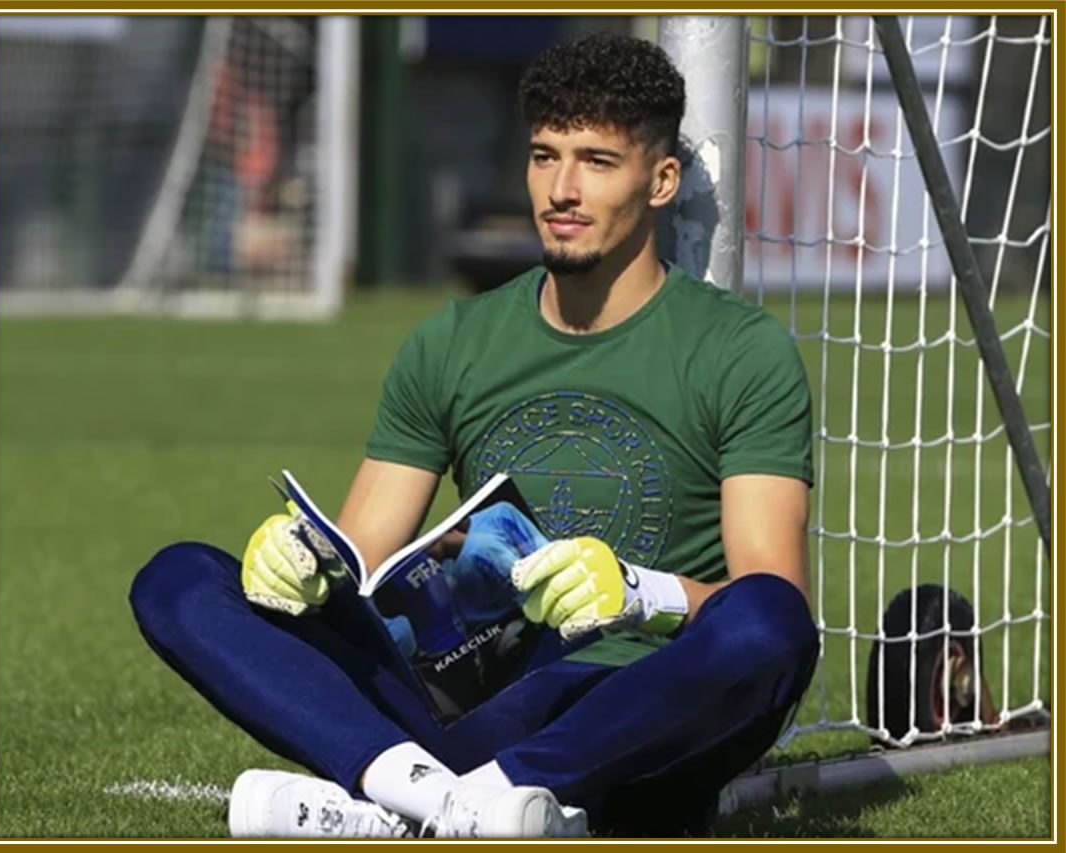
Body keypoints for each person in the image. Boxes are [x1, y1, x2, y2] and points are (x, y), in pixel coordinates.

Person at [129, 31, 818, 839]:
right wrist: (303, 565)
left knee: (772, 621)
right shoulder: (452, 341)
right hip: (457, 695)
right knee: (178, 580)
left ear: (661, 180)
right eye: (543, 155)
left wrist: (643, 591)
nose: (561, 188)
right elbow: (364, 554)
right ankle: (440, 799)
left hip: (633, 709)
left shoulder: (742, 350)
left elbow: (770, 592)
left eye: (596, 161)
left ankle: (399, 805)